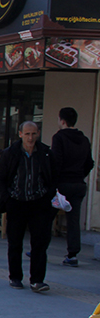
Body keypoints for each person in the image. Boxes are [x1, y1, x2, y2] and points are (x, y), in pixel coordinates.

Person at [0, 121, 55, 292]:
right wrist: (7, 198)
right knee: (15, 242)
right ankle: (15, 277)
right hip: (17, 202)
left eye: (33, 134)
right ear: (20, 134)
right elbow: (0, 179)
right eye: (27, 134)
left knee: (40, 243)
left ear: (38, 134)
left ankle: (37, 280)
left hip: (39, 203)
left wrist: (48, 196)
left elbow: (53, 177)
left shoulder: (45, 153)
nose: (30, 137)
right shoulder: (10, 154)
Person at [51, 107, 94, 267]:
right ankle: (73, 254)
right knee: (73, 220)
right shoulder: (84, 139)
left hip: (61, 184)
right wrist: (80, 175)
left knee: (46, 216)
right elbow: (89, 163)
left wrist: (53, 182)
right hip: (78, 184)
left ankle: (38, 248)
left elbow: (56, 162)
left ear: (62, 120)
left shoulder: (59, 138)